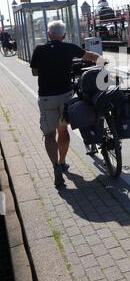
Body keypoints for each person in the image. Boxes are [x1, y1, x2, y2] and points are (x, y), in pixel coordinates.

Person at [30, 20, 105, 188]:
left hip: (46, 98)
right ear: (63, 35)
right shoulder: (70, 47)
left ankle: (55, 166)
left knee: (49, 135)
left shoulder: (39, 49)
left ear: (49, 35)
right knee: (63, 131)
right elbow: (89, 56)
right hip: (65, 97)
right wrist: (102, 60)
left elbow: (34, 72)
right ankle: (63, 162)